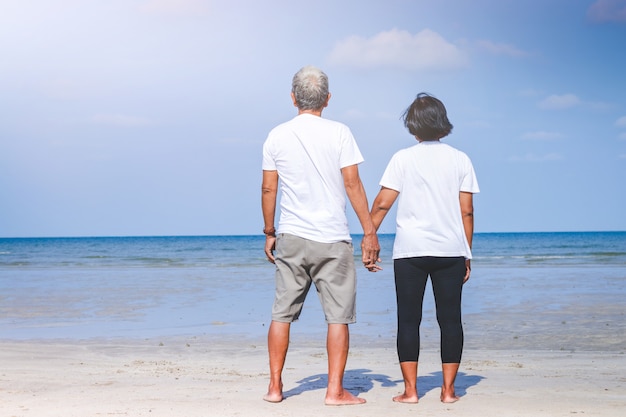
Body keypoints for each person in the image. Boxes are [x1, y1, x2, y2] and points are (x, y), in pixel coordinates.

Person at [261, 65, 381, 405]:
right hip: (331, 237)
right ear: (327, 100)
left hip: (292, 235)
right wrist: (369, 232)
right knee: (338, 317)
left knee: (281, 313)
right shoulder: (340, 132)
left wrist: (270, 231)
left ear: (292, 98)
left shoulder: (276, 136)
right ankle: (334, 391)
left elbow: (269, 189)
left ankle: (274, 387)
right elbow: (353, 183)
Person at [370, 93, 479, 404]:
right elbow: (467, 211)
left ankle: (411, 391)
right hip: (450, 251)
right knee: (450, 319)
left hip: (410, 252)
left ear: (412, 126)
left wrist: (369, 236)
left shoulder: (402, 158)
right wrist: (466, 252)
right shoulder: (460, 159)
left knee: (408, 319)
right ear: (442, 124)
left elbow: (382, 203)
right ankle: (447, 391)